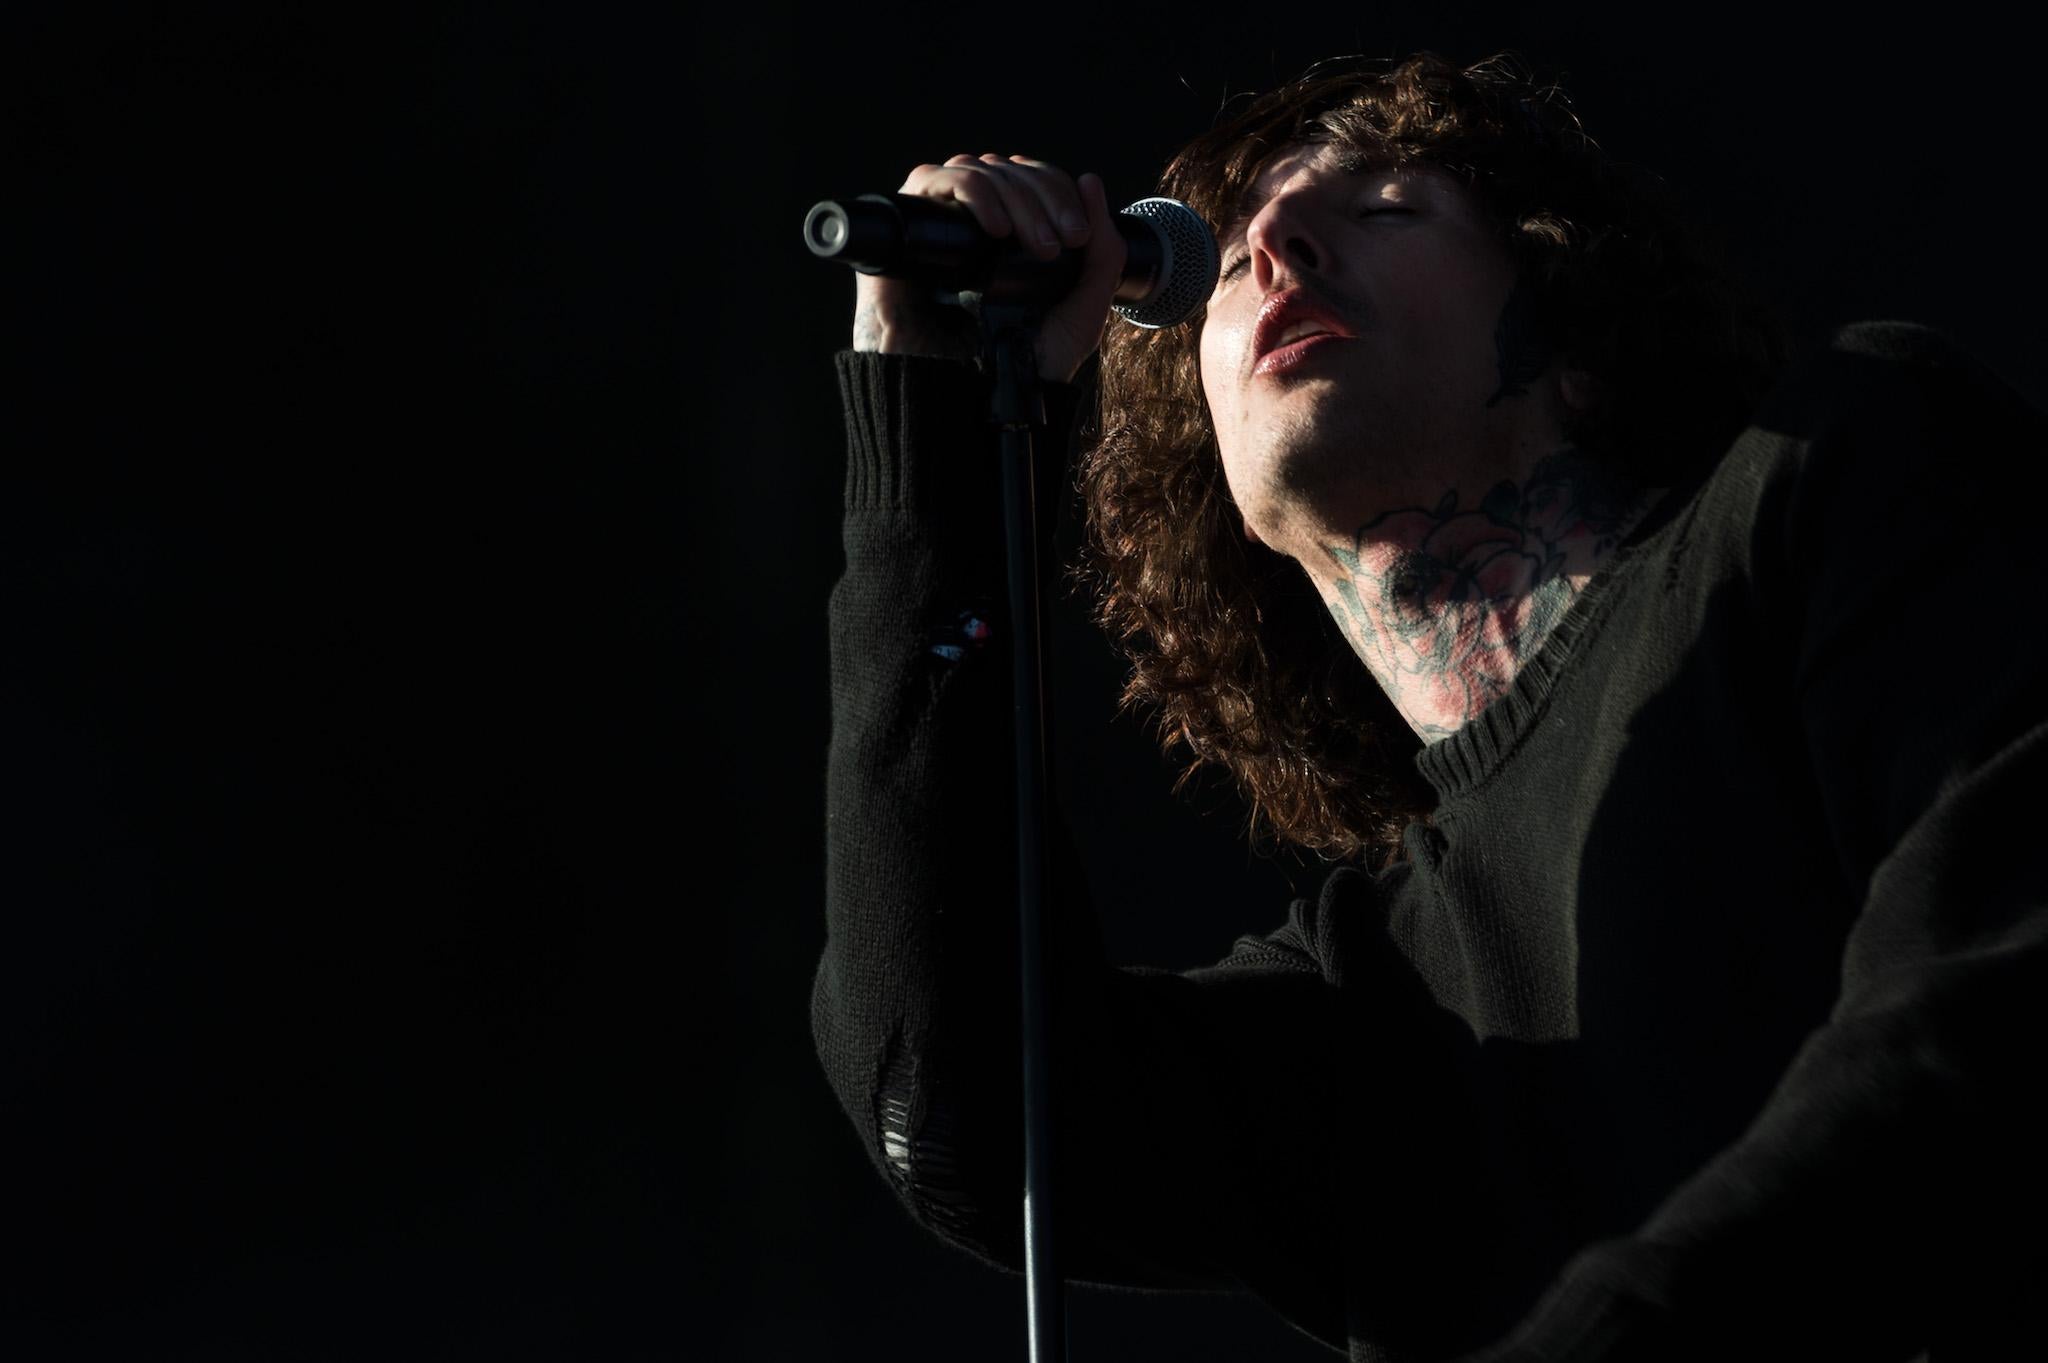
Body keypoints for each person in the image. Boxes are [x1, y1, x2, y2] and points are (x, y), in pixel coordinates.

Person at [814, 50, 2047, 1362]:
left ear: (1579, 319)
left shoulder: (1838, 472)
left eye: (1387, 206)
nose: (1278, 242)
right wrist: (933, 427)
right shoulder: (1383, 996)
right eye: (1226, 264)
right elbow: (955, 1113)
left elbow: (1996, 989)